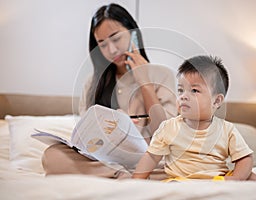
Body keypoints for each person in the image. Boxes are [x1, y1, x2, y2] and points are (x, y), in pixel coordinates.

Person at [42, 3, 177, 179]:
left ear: (133, 34)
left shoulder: (163, 75)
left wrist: (145, 83)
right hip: (107, 161)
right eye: (103, 44)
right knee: (51, 156)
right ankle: (120, 175)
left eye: (116, 38)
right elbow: (86, 138)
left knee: (174, 163)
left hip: (151, 160)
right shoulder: (92, 83)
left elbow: (166, 134)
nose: (112, 50)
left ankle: (124, 174)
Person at [132, 55, 256, 181]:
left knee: (252, 177)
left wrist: (236, 178)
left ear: (216, 101)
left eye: (194, 90)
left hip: (216, 181)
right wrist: (136, 181)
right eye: (181, 90)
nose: (183, 96)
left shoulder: (227, 130)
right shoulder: (168, 127)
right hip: (179, 180)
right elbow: (151, 157)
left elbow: (245, 158)